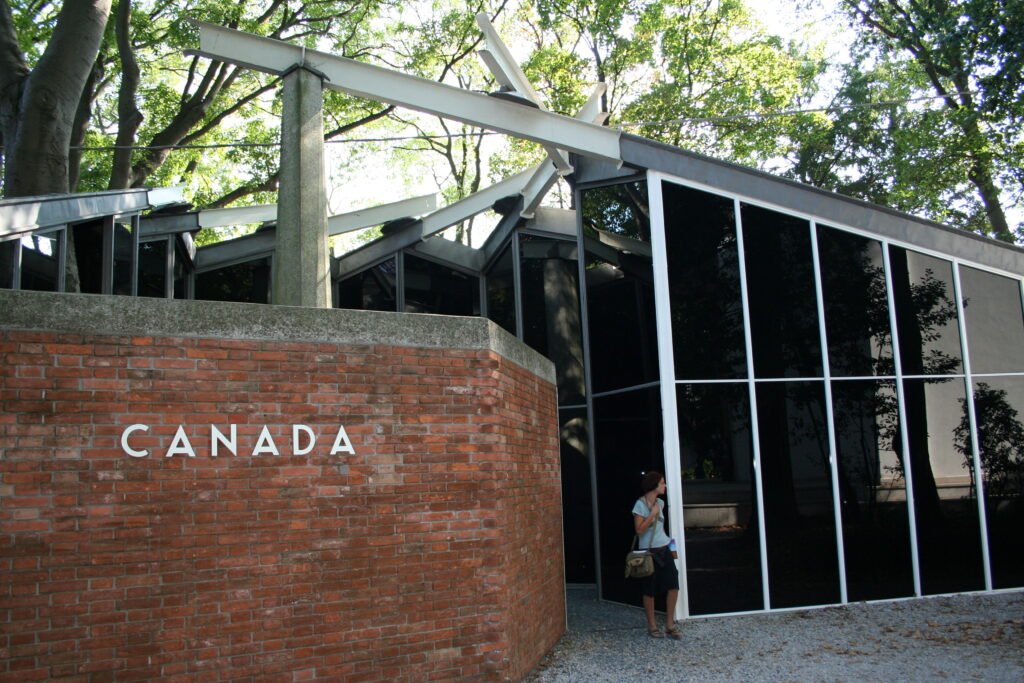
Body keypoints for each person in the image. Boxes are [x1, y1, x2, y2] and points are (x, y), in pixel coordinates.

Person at [632, 471, 681, 639]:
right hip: (649, 553)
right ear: (654, 486)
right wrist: (652, 514)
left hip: (664, 549)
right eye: (662, 483)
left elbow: (662, 529)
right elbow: (639, 531)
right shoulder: (640, 505)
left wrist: (672, 547)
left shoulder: (661, 502)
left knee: (673, 583)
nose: (665, 486)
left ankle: (669, 624)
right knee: (650, 588)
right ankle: (652, 626)